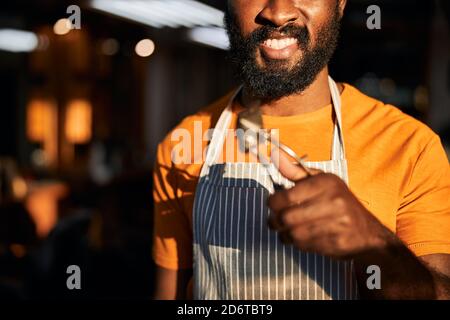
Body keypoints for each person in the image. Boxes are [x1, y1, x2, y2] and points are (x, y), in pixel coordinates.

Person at [152, 0, 450, 300]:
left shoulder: (410, 147)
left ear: (341, 4)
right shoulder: (184, 144)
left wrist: (372, 243)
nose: (278, 12)